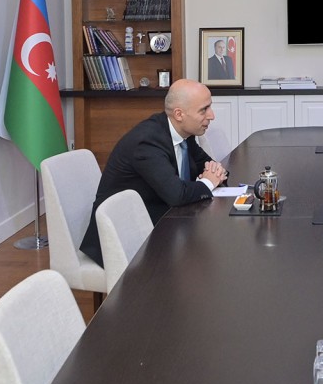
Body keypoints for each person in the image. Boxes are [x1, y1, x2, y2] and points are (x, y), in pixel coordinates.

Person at [79, 79, 228, 267]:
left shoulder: (184, 133)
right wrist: (208, 182)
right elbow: (176, 194)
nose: (211, 115)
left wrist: (216, 172)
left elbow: (208, 166)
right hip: (123, 240)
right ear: (179, 114)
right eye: (203, 110)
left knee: (207, 254)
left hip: (161, 223)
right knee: (206, 260)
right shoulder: (147, 142)